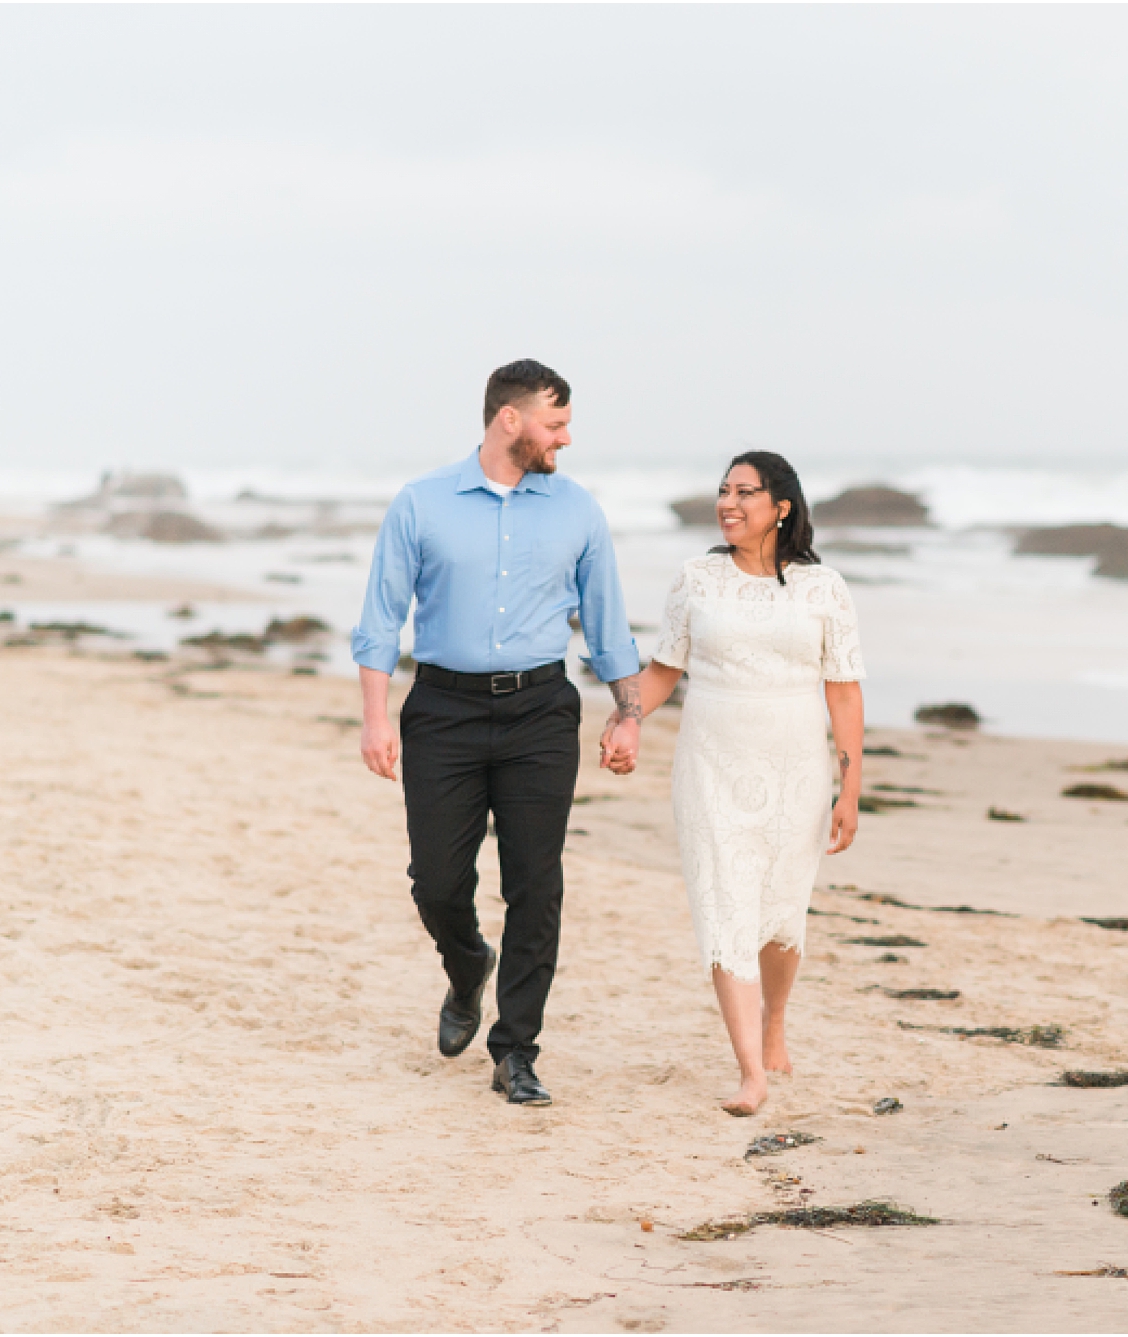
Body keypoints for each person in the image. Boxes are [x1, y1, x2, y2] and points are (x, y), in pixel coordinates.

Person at [352, 358, 645, 1108]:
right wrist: (375, 716)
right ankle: (465, 965)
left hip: (540, 713)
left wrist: (628, 710)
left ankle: (515, 1050)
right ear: (508, 419)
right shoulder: (421, 504)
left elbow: (607, 620)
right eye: (556, 422)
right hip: (442, 711)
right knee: (438, 882)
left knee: (535, 885)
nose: (566, 438)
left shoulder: (577, 509)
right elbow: (381, 618)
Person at [605, 451, 865, 1115]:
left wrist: (851, 784)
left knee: (781, 913)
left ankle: (775, 1019)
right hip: (711, 767)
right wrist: (625, 720)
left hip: (796, 769)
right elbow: (664, 670)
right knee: (725, 909)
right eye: (723, 490)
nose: (729, 502)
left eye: (746, 492)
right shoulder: (697, 579)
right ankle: (751, 1072)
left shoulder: (823, 588)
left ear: (781, 506)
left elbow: (844, 690)